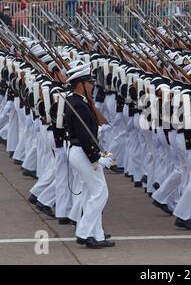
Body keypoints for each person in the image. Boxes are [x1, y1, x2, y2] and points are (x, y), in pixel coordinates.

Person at [64, 63, 116, 249]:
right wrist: (97, 157)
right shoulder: (79, 105)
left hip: (80, 151)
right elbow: (84, 136)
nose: (92, 85)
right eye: (89, 82)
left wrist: (99, 129)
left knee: (91, 193)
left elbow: (86, 130)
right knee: (100, 193)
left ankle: (97, 234)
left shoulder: (76, 101)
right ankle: (84, 232)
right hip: (84, 153)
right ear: (80, 84)